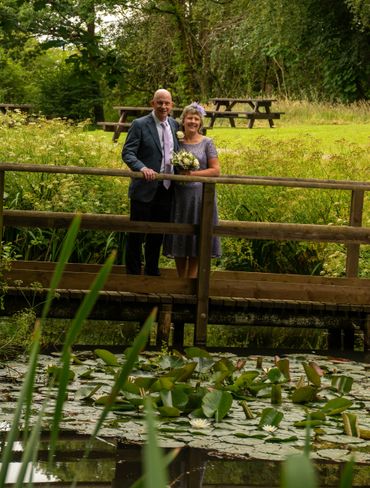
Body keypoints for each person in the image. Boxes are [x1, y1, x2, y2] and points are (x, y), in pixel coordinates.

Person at [122, 89, 180, 275]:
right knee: (137, 232)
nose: (163, 106)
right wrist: (142, 168)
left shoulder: (175, 125)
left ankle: (152, 270)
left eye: (167, 103)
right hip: (144, 188)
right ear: (152, 103)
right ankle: (132, 273)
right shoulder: (139, 124)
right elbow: (128, 152)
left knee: (157, 233)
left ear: (172, 105)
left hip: (167, 188)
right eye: (160, 102)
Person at [163, 103, 221, 278]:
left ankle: (192, 278)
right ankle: (181, 278)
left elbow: (216, 170)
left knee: (197, 235)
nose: (193, 121)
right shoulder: (177, 142)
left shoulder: (207, 143)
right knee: (180, 235)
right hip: (179, 196)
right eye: (190, 118)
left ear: (200, 122)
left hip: (200, 197)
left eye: (196, 119)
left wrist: (192, 173)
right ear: (184, 120)